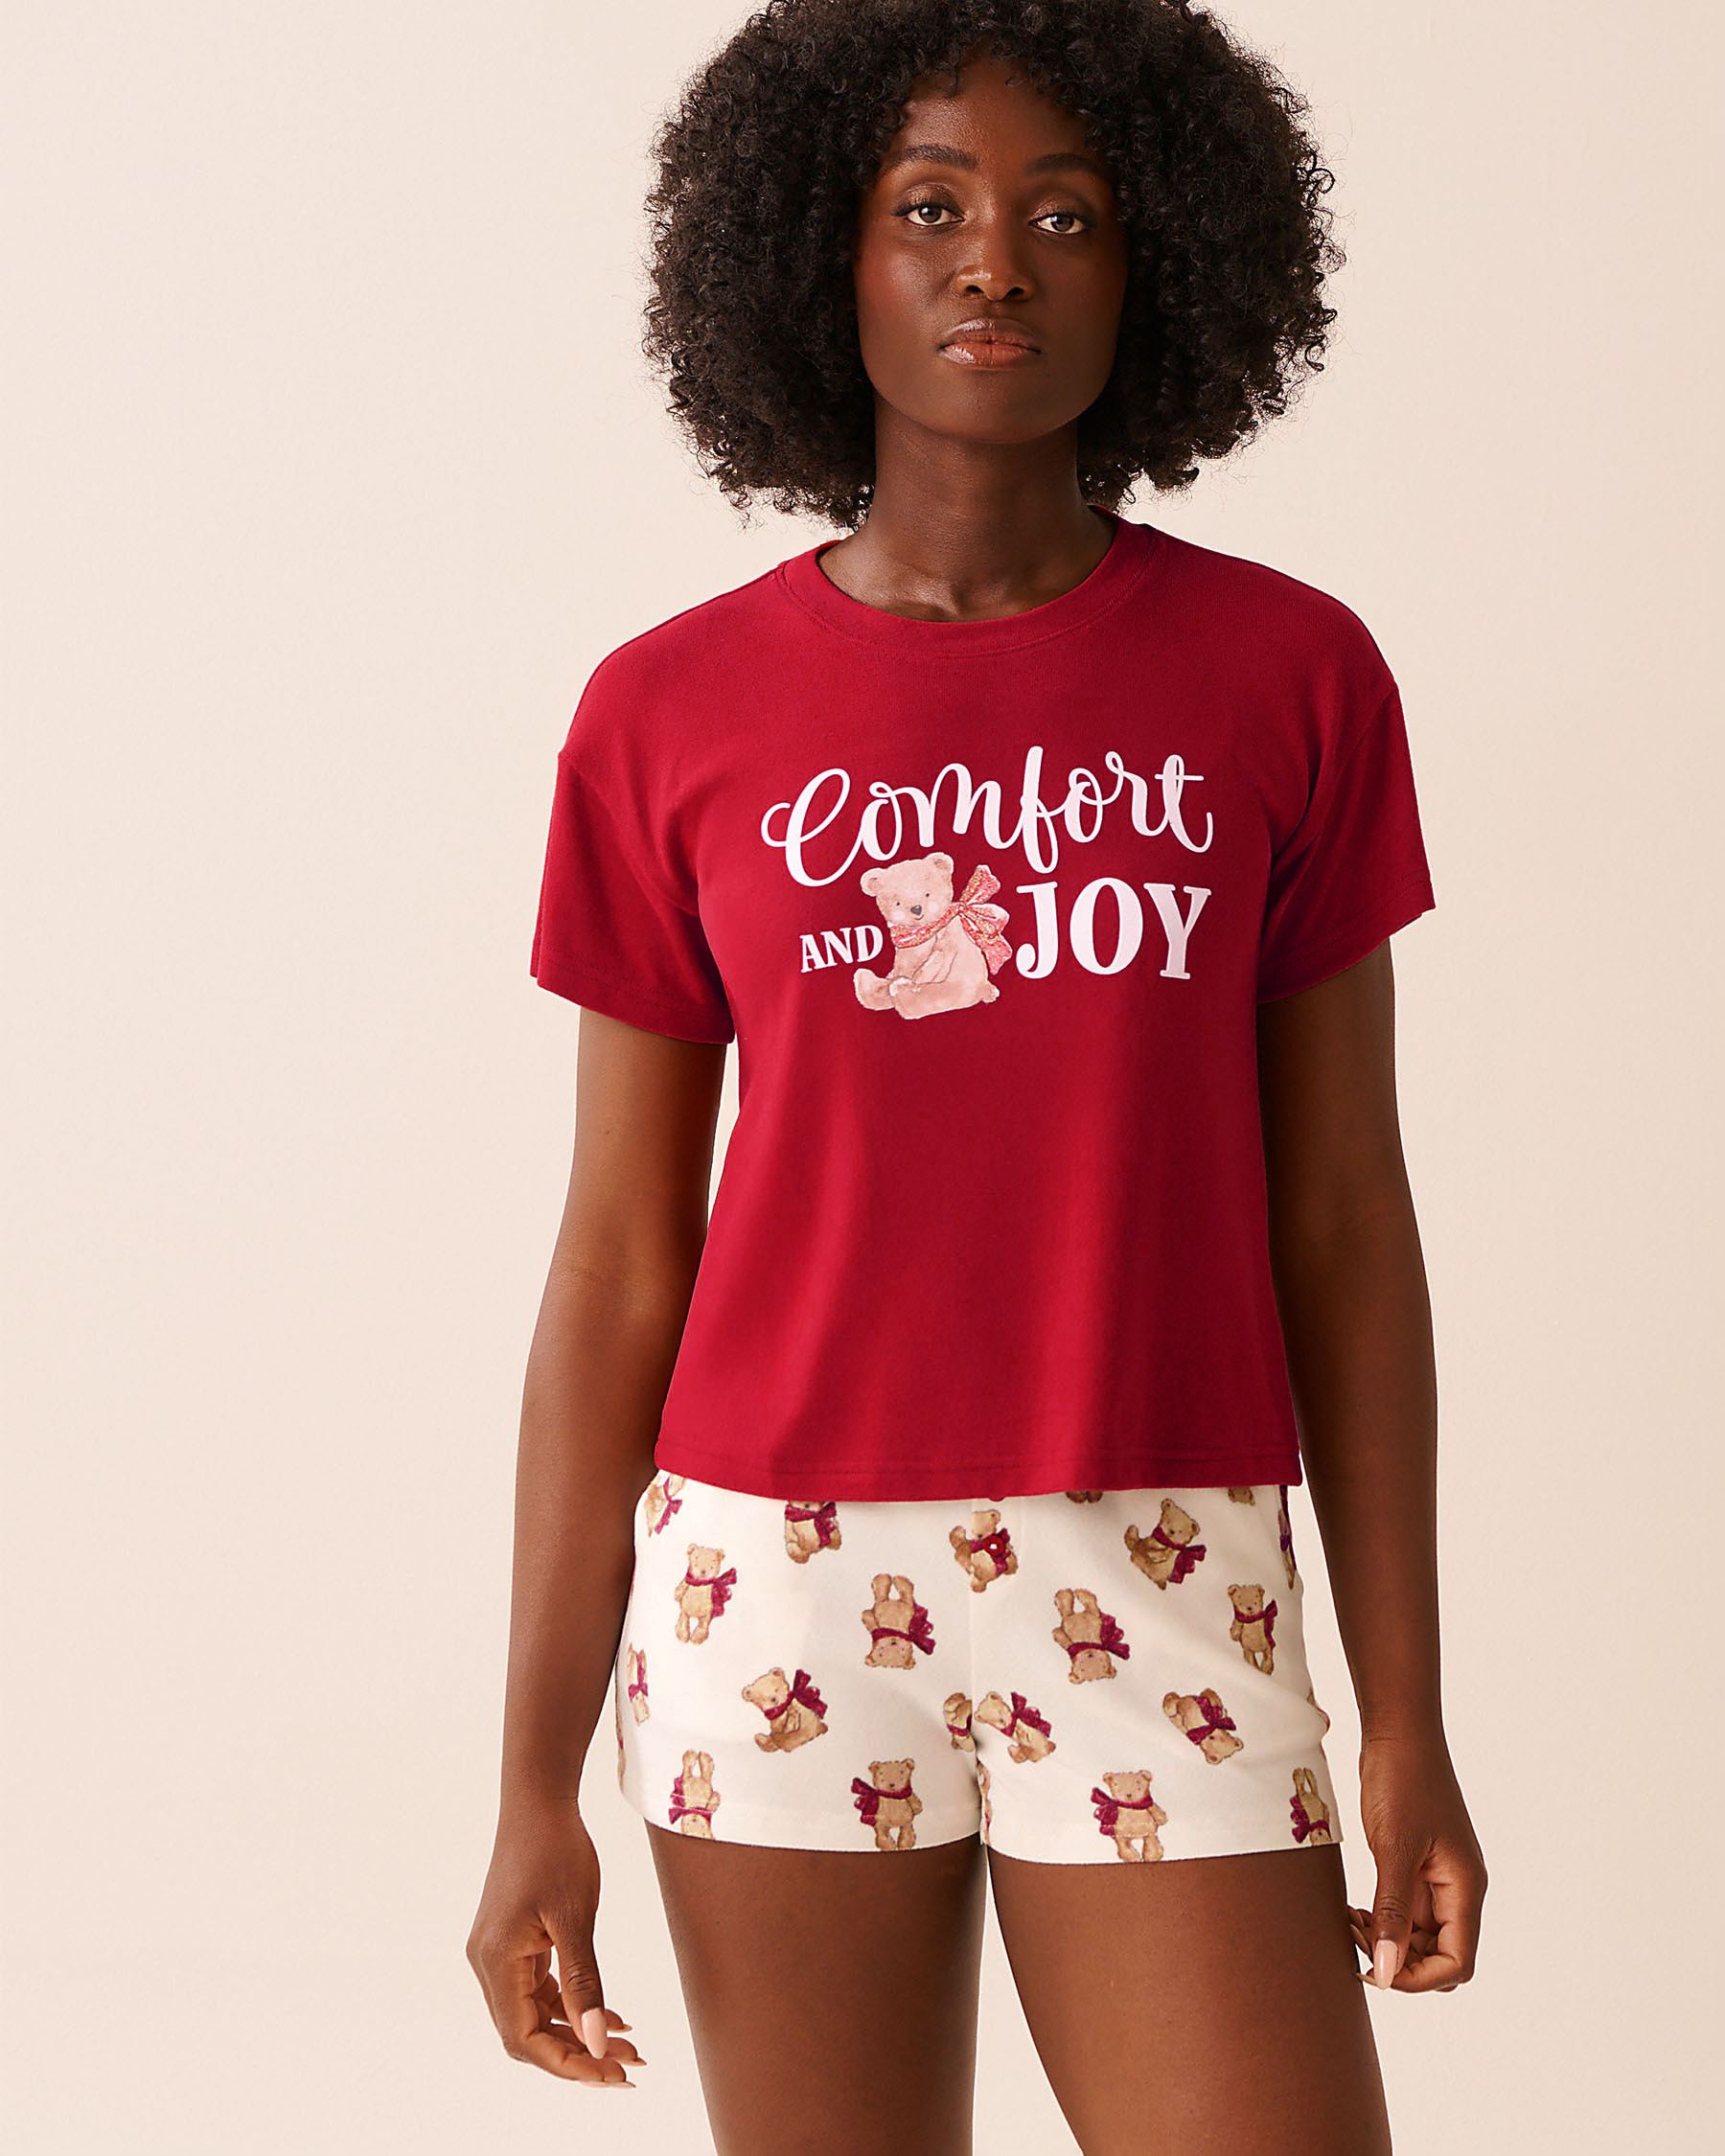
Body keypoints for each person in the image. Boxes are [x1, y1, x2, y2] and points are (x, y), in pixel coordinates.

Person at [466, 3, 1487, 2148]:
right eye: (925, 207)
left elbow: (1344, 1218)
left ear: (1161, 259)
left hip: (1165, 1554)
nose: (994, 260)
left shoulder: (1288, 677)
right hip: (773, 1581)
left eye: (1067, 213)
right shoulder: (668, 713)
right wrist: (530, 1777)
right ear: (817, 256)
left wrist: (1403, 1713)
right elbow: (620, 1257)